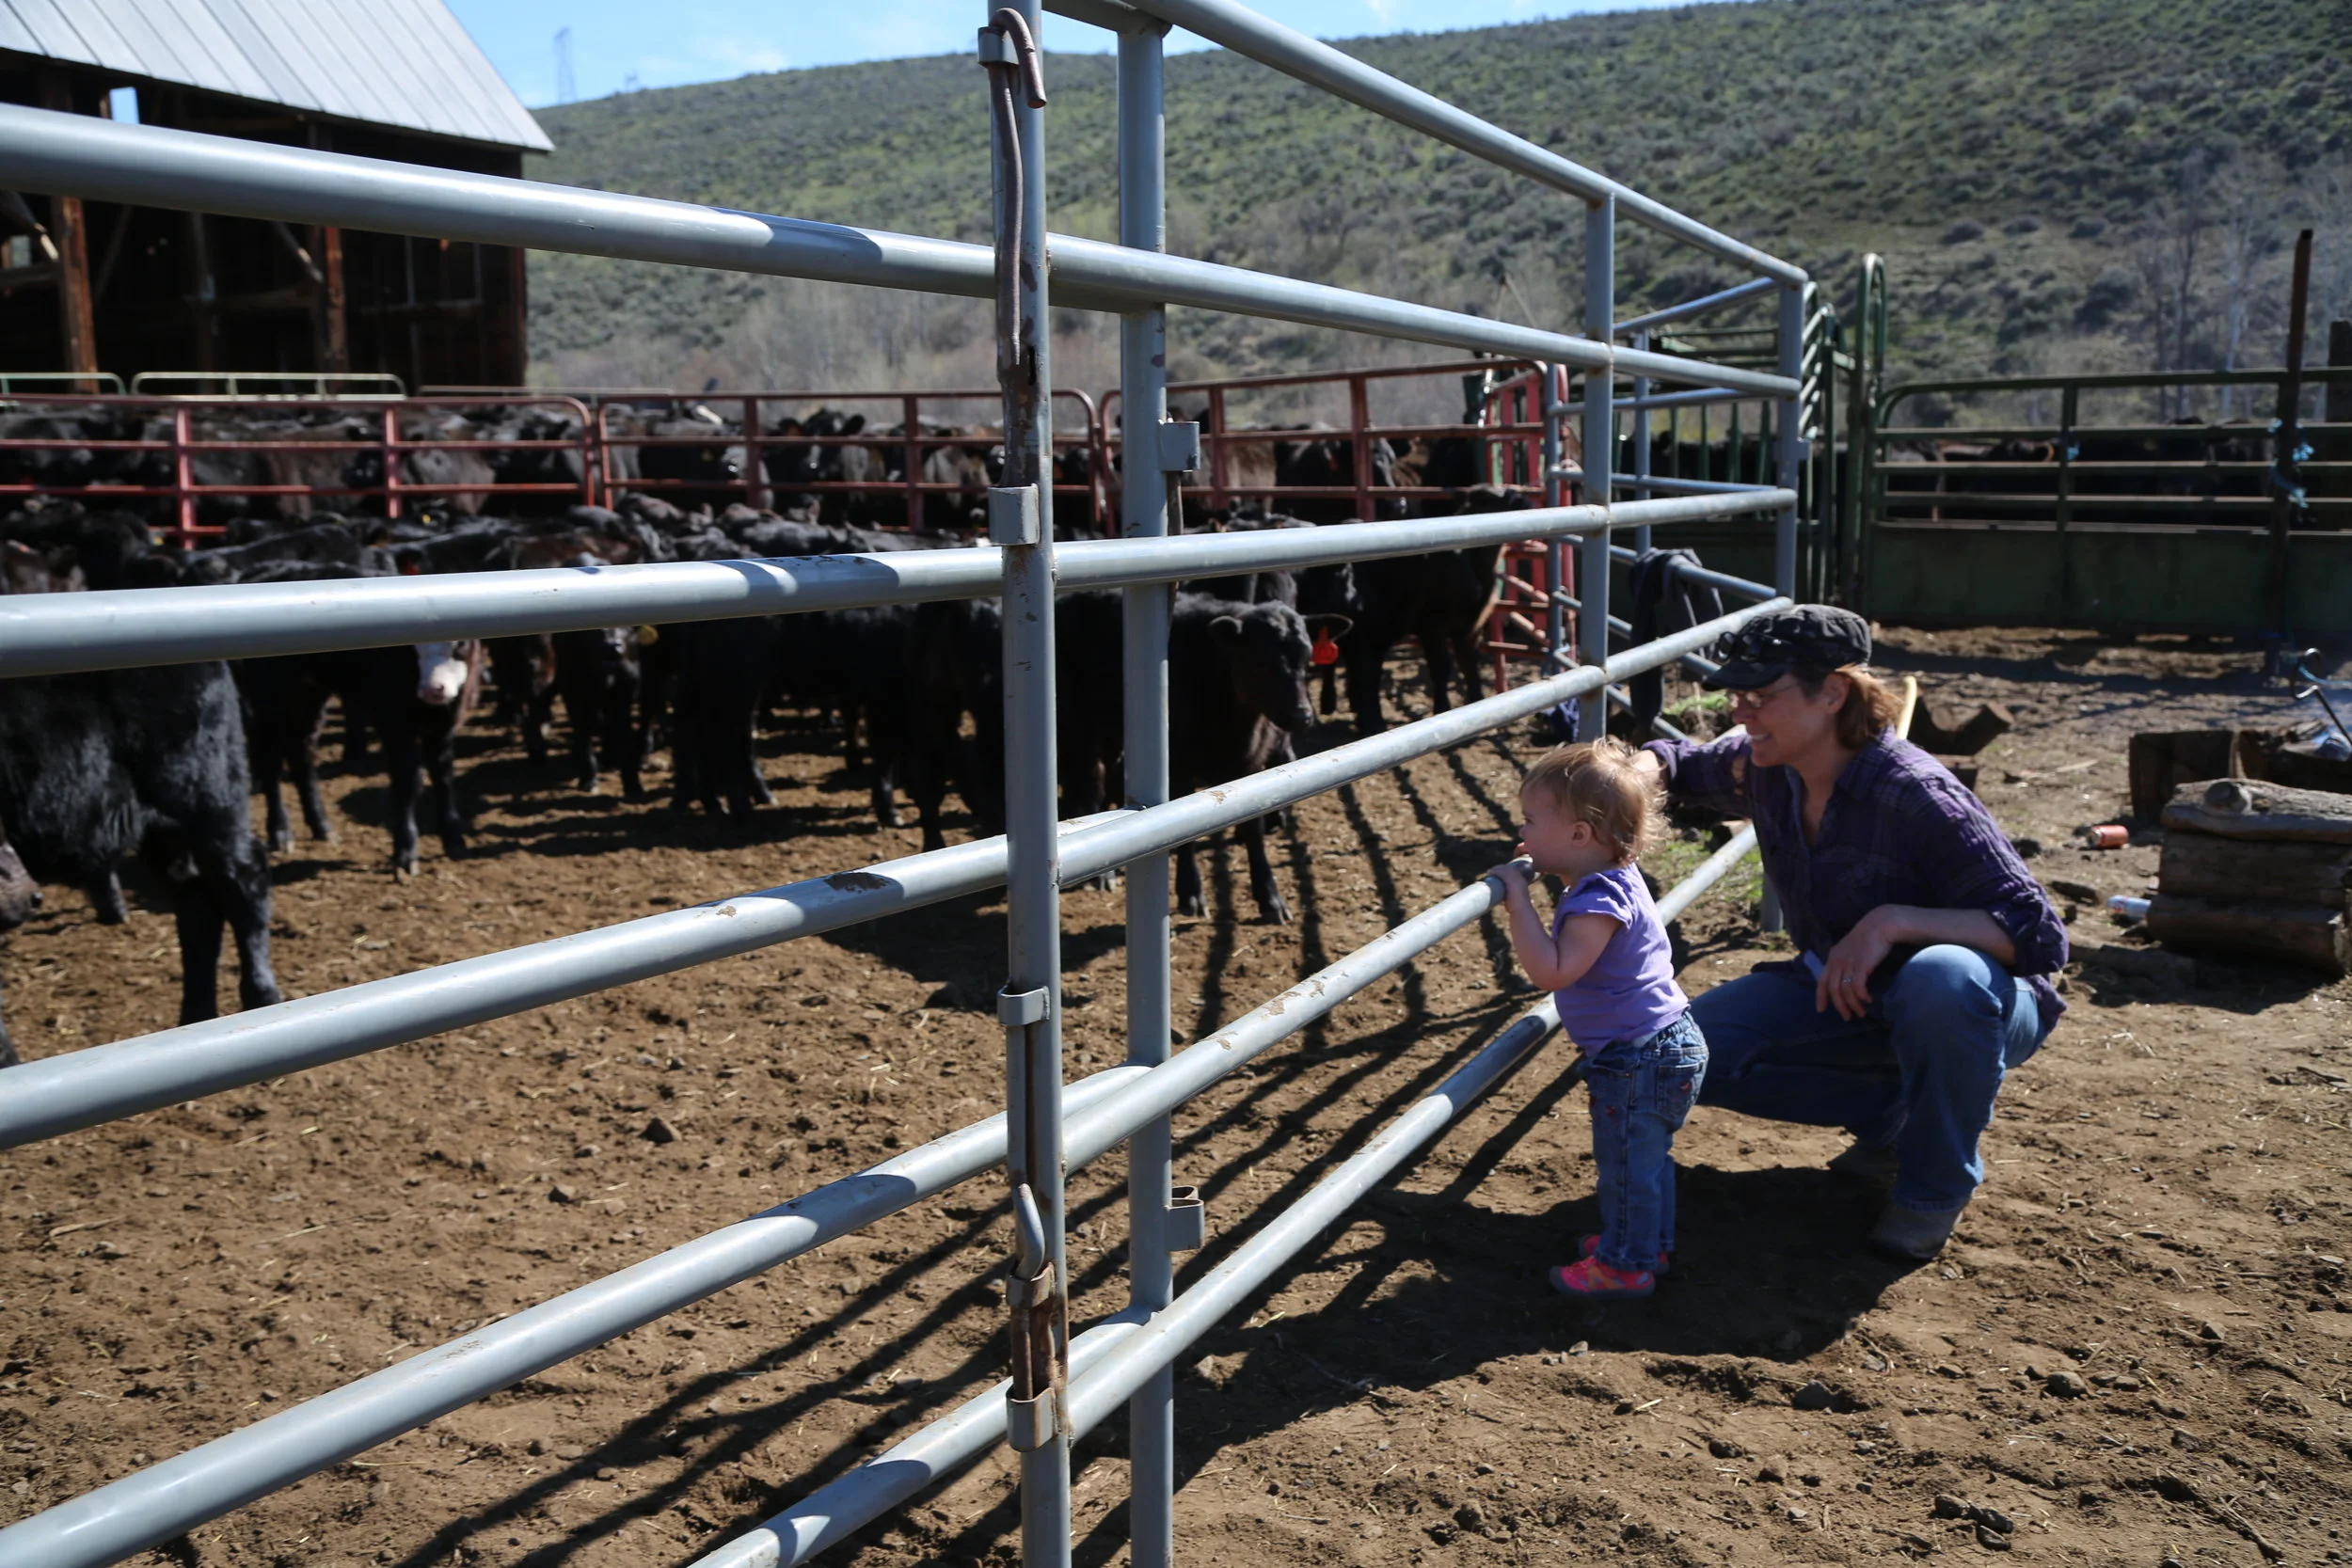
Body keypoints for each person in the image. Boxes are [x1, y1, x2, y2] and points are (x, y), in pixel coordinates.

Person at [1637, 605, 2066, 1260]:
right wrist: (1628, 775)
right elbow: (1679, 763)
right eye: (1738, 696)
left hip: (1975, 1004)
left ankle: (1932, 1187)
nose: (1741, 713)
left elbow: (2039, 935)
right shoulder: (1768, 766)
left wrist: (1893, 922)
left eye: (1761, 696)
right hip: (1852, 997)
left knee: (1940, 978)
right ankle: (1894, 1114)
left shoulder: (1914, 792)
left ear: (1833, 692)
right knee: (1686, 1054)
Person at [1488, 738, 1708, 1299]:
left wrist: (1518, 902)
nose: (1523, 832)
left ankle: (1625, 1265)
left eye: (1531, 821)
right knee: (1646, 1161)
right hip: (1660, 1044)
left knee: (1627, 1166)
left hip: (1638, 1055)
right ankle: (1646, 1244)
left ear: (1579, 836)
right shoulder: (1613, 875)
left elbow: (1553, 971)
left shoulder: (1595, 901)